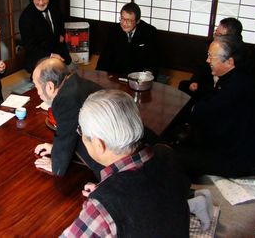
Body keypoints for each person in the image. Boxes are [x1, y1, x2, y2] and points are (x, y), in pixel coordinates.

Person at [61, 89, 190, 237]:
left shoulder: (101, 209)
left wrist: (105, 196)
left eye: (81, 131)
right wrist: (107, 188)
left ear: (99, 144)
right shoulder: (166, 154)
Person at [174, 35, 255, 178]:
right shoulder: (239, 77)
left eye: (211, 56)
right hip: (235, 145)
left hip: (237, 157)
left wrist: (194, 111)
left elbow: (203, 113)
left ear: (229, 62)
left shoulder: (236, 87)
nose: (207, 60)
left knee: (173, 155)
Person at [33, 57, 103, 178]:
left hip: (110, 160)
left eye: (37, 87)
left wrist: (56, 165)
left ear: (49, 86)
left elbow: (66, 136)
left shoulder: (64, 99)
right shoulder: (75, 83)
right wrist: (56, 149)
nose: (37, 92)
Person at [178, 17, 243, 100]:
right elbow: (201, 66)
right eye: (216, 32)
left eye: (219, 34)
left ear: (231, 38)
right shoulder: (214, 45)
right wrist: (195, 80)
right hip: (207, 83)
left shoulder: (242, 55)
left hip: (223, 90)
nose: (215, 35)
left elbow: (234, 87)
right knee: (184, 85)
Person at [19, 0, 72, 74]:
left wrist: (61, 34)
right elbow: (29, 46)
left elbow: (61, 19)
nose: (41, 2)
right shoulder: (26, 17)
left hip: (56, 47)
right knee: (49, 77)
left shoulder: (54, 3)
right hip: (39, 54)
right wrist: (51, 55)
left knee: (70, 70)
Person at [96, 2, 159, 78]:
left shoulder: (149, 32)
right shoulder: (114, 30)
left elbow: (153, 59)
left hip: (138, 76)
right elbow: (105, 56)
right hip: (116, 74)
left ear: (138, 20)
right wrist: (99, 75)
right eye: (122, 18)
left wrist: (147, 75)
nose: (124, 23)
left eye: (129, 20)